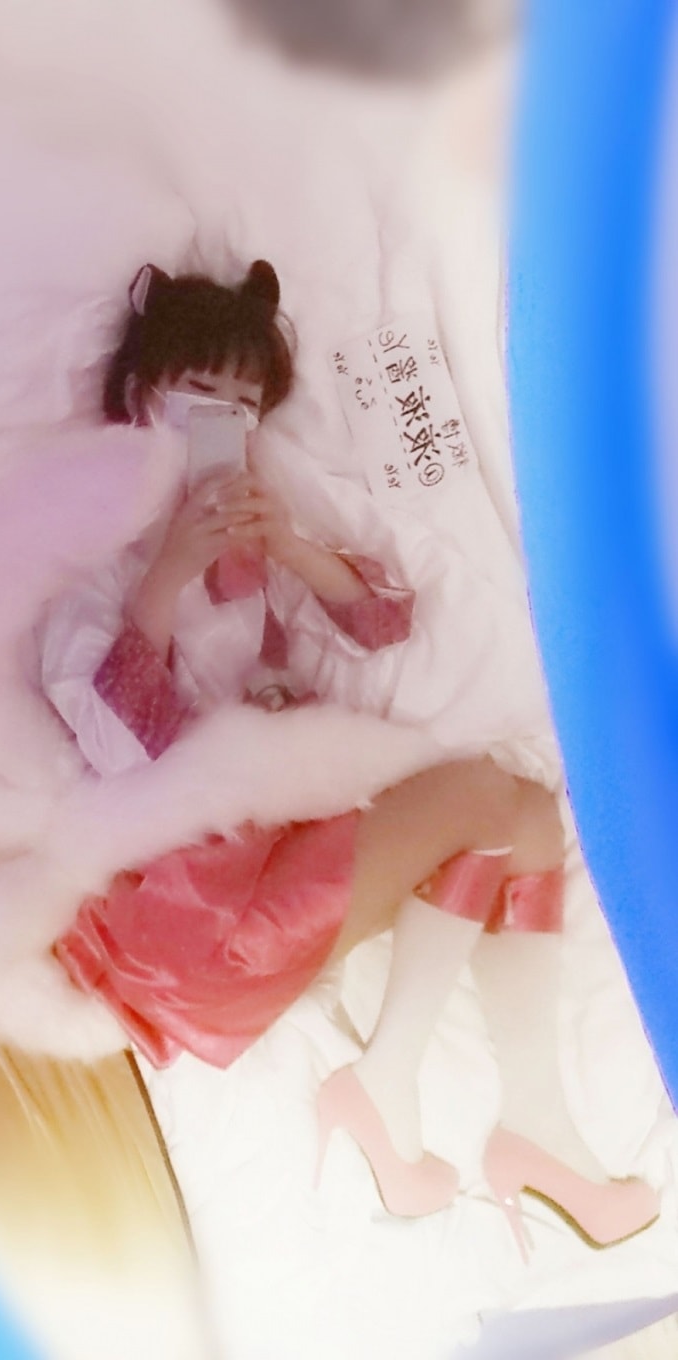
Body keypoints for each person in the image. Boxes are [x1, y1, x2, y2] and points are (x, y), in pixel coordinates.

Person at [40, 259, 658, 1247]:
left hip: (266, 871)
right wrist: (166, 574)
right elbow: (121, 753)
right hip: (188, 921)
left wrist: (291, 548)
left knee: (525, 816)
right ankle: (429, 1100)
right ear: (142, 394)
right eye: (198, 391)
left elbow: (381, 622)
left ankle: (491, 1119)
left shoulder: (252, 562)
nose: (223, 418)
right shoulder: (89, 559)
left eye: (244, 404)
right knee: (488, 796)